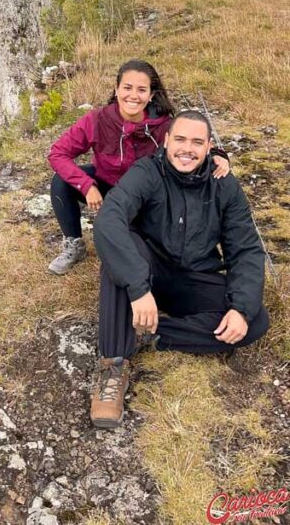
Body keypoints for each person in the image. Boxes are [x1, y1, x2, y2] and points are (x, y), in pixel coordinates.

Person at [89, 110, 269, 428]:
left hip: (195, 278)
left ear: (209, 147)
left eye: (197, 142)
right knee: (121, 247)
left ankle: (151, 336)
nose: (187, 149)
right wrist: (138, 286)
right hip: (150, 270)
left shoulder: (224, 185)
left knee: (254, 321)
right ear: (167, 140)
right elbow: (109, 218)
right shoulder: (147, 171)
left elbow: (246, 249)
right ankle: (113, 366)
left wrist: (241, 308)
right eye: (181, 139)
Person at [46, 59, 229, 275]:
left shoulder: (164, 126)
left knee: (141, 251)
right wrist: (86, 186)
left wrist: (217, 154)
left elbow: (192, 144)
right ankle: (74, 245)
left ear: (151, 95)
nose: (133, 96)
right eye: (127, 88)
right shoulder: (96, 120)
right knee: (61, 182)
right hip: (109, 186)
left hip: (148, 196)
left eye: (142, 90)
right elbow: (58, 153)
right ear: (116, 90)